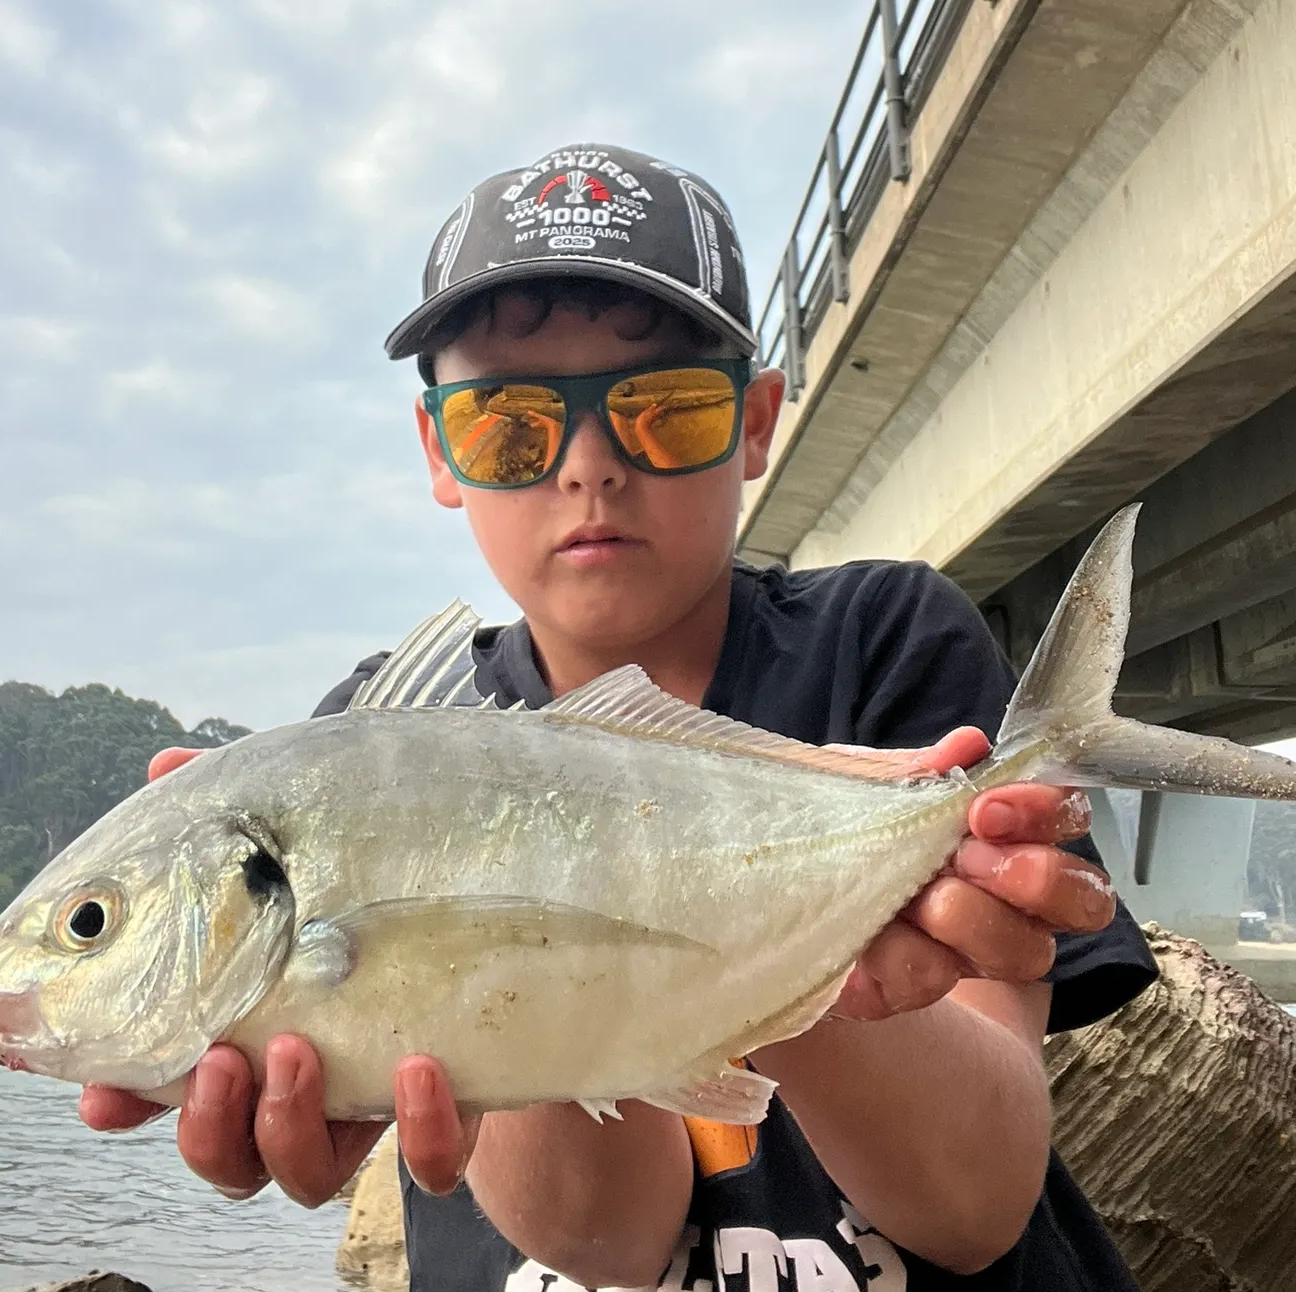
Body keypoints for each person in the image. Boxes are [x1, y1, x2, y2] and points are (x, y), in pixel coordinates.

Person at [82, 145, 1158, 1291]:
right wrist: (496, 980)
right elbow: (610, 1243)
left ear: (753, 424)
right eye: (509, 425)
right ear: (440, 449)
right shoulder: (384, 740)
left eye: (667, 410)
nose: (590, 467)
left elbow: (975, 1208)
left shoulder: (883, 640)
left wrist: (805, 929)